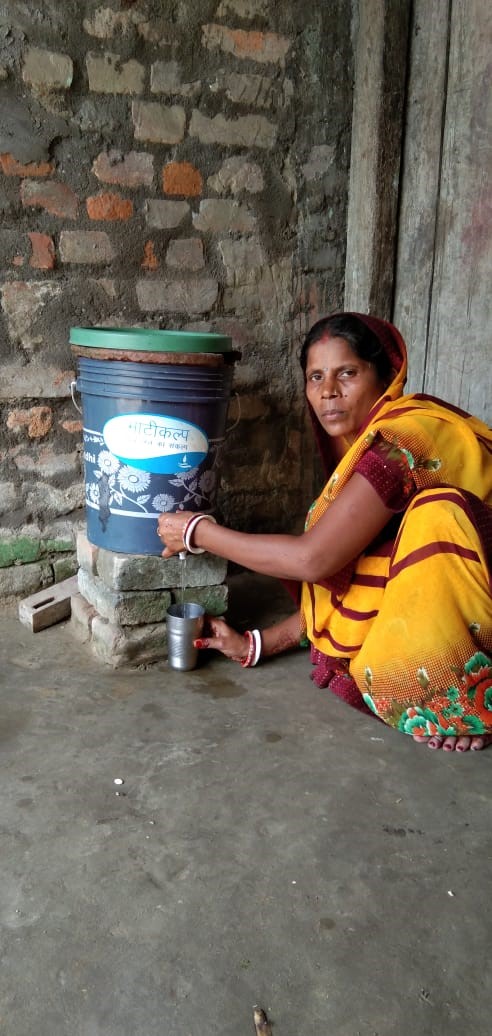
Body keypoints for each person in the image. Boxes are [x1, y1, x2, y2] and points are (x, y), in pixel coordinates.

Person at [157, 313, 492, 752]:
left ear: (388, 375)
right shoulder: (362, 449)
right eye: (315, 377)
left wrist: (197, 531)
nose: (328, 391)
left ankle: (468, 696)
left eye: (347, 373)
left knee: (435, 515)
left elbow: (314, 560)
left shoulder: (407, 440)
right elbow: (367, 576)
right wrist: (254, 645)